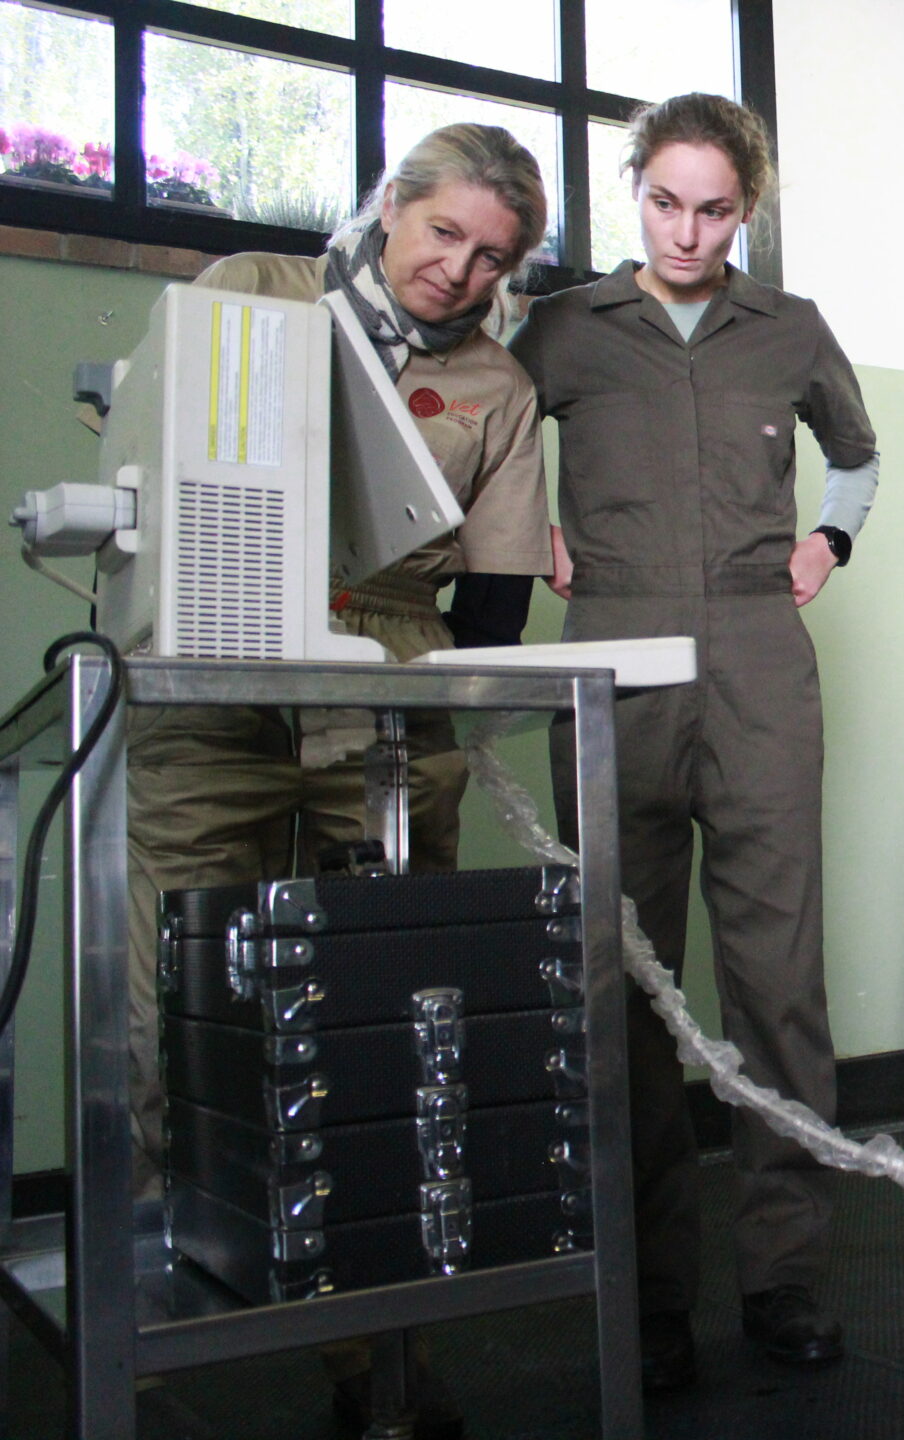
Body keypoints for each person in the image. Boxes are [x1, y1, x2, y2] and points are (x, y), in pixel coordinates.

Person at [125, 123, 556, 1440]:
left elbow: (493, 603)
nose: (459, 270)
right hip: (214, 664)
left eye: (490, 258)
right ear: (391, 207)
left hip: (386, 685)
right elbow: (159, 458)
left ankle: (379, 1359)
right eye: (444, 233)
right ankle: (146, 1321)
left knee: (386, 1014)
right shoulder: (253, 293)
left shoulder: (496, 386)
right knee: (177, 995)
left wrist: (441, 710)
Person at [509, 92, 880, 1393]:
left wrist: (830, 540)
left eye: (714, 210)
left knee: (777, 984)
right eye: (665, 202)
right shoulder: (566, 326)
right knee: (621, 986)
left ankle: (785, 1276)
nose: (686, 231)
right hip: (609, 661)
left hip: (758, 661)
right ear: (636, 193)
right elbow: (483, 431)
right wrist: (524, 528)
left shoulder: (791, 328)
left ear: (746, 211)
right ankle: (650, 1295)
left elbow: (858, 455)